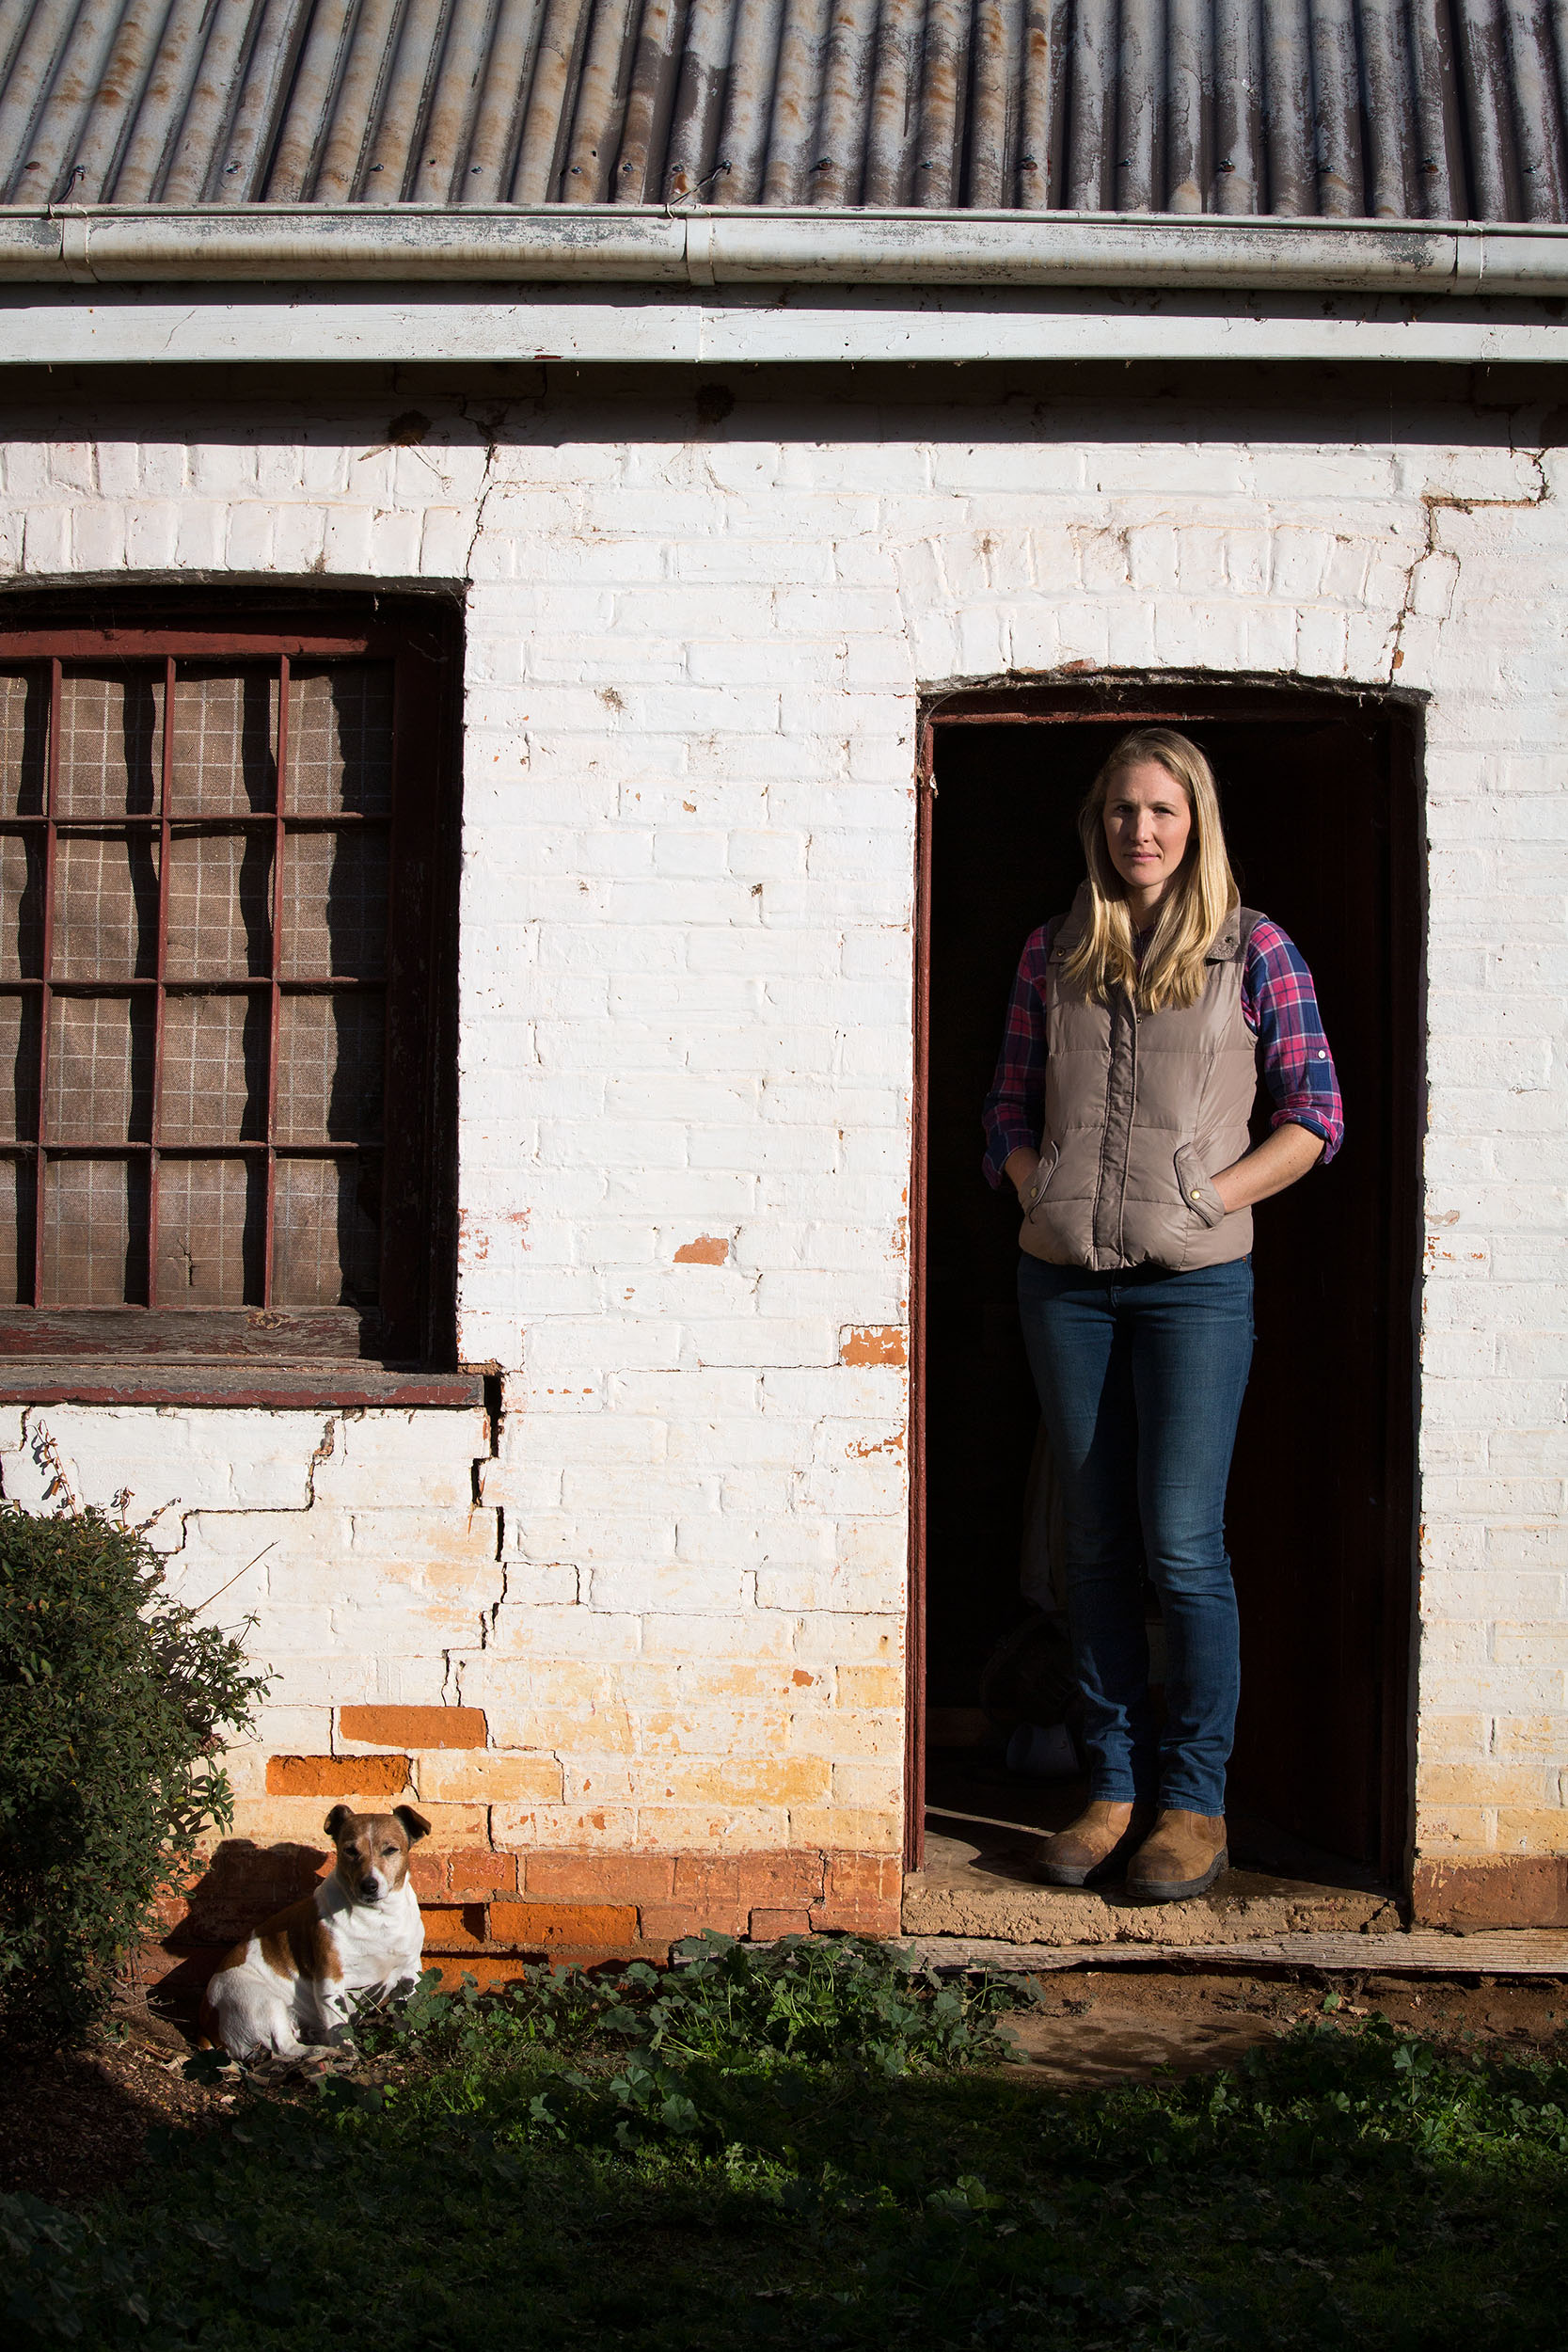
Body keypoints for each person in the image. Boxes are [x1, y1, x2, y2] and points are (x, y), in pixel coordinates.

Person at [981, 727, 1343, 1901]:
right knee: (1088, 1547)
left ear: (1196, 824)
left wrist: (1208, 1196)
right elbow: (1006, 1104)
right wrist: (1035, 1186)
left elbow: (1315, 1112)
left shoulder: (1255, 949)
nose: (1140, 831)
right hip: (1065, 1281)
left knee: (1181, 1546)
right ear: (1097, 822)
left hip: (1194, 1286)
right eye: (1122, 811)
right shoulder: (1055, 949)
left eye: (1162, 812)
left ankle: (1192, 1802)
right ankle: (1109, 1789)